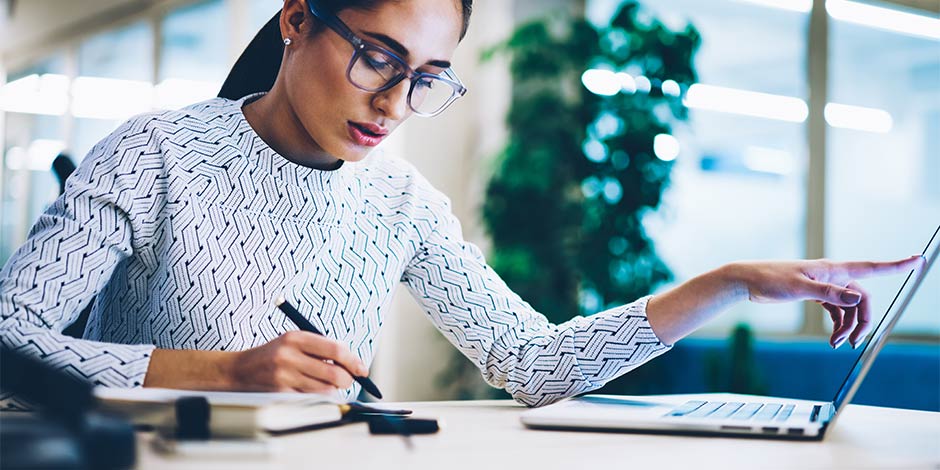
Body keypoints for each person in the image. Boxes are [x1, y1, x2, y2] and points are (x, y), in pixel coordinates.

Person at [0, 0, 924, 409]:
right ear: (296, 21)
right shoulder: (156, 153)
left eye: (428, 79)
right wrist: (223, 373)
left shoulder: (401, 200)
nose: (396, 103)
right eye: (378, 58)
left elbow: (529, 360)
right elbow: (11, 336)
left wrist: (724, 285)